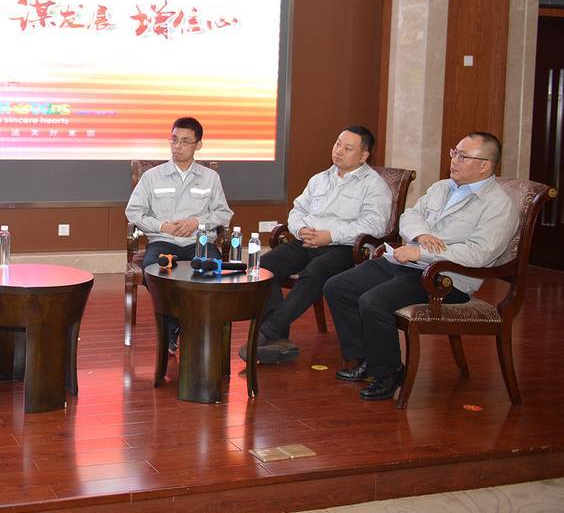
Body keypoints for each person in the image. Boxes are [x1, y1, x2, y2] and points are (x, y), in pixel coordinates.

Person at [324, 132, 519, 401]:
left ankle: (388, 372)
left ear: (485, 165)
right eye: (454, 152)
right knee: (338, 287)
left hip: (447, 279)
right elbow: (410, 215)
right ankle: (366, 358)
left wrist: (421, 251)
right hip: (409, 262)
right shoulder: (442, 187)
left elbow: (479, 254)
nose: (454, 160)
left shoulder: (498, 205)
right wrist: (420, 235)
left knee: (373, 302)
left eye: (463, 156)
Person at [244, 126, 392, 364]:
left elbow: (374, 226)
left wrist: (331, 236)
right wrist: (300, 229)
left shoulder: (374, 186)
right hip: (307, 240)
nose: (338, 151)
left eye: (348, 148)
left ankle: (268, 331)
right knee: (264, 266)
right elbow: (298, 210)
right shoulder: (320, 179)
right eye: (337, 144)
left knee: (315, 272)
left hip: (344, 248)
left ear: (364, 156)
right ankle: (277, 340)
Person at [125, 117, 234, 351]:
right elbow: (133, 212)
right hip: (163, 242)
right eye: (174, 140)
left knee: (212, 271)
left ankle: (187, 326)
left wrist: (197, 222)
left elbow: (224, 213)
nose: (177, 146)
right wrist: (161, 226)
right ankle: (176, 325)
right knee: (153, 272)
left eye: (185, 141)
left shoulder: (210, 177)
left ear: (198, 145)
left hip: (199, 242)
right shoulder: (152, 176)